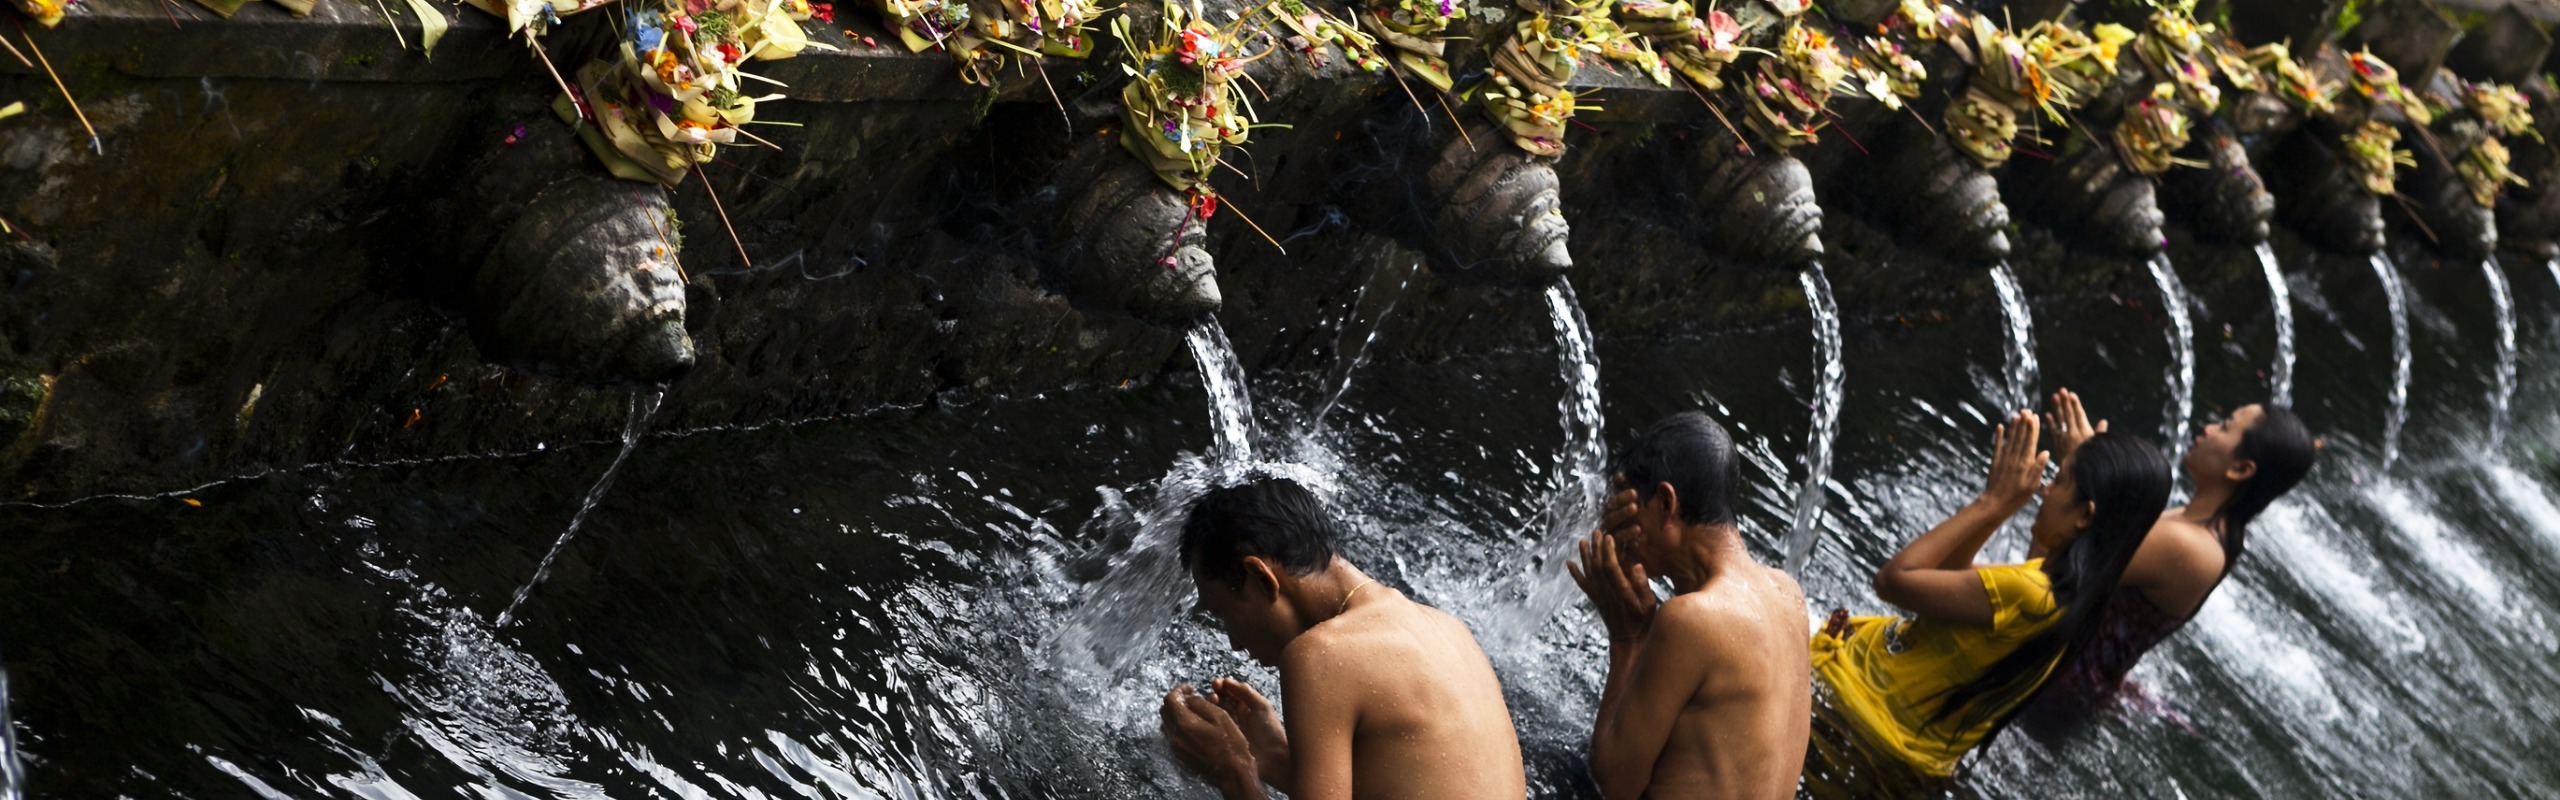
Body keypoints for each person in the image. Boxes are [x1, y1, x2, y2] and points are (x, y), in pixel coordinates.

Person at [1802, 412, 2171, 796]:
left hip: (1847, 728)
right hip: (1886, 747)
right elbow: (1945, 577)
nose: (2045, 491)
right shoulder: (2072, 601)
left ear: (2085, 515)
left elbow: (1893, 581)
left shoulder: (2030, 592)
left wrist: (1992, 503)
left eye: (2059, 481)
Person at [1158, 477, 1528, 800]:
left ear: (1260, 576)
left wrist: (1233, 768)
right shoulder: (1447, 628)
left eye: (1224, 613)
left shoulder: (1322, 654)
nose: (1234, 641)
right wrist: (1273, 758)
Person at [2017, 391, 2318, 735]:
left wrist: (2081, 477)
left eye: (2224, 427)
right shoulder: (2198, 526)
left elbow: (2043, 582)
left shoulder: (2190, 546)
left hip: (2046, 696)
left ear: (2240, 469)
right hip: (2062, 682)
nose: (2207, 429)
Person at [1568, 412, 1811, 799]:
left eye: (1631, 511)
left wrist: (1627, 640)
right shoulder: (1788, 597)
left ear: (1666, 502)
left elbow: (1612, 785)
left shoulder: (1692, 620)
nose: (1623, 531)